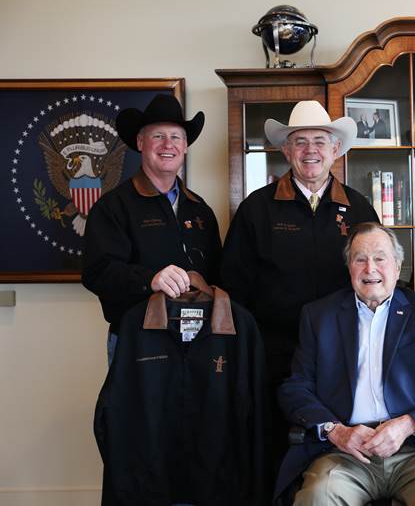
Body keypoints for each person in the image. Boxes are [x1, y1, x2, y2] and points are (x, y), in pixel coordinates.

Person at [219, 100, 378, 495]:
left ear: (335, 150)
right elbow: (233, 287)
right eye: (300, 141)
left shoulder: (359, 208)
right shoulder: (257, 208)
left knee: (339, 454)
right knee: (277, 452)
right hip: (276, 356)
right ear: (286, 151)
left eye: (319, 141)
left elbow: (378, 279)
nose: (311, 150)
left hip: (346, 354)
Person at [275, 222, 415, 505]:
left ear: (398, 266)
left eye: (380, 258)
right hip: (345, 452)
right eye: (360, 259)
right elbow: (296, 388)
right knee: (317, 497)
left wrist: (407, 425)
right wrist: (336, 431)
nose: (370, 269)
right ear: (349, 268)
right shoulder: (318, 317)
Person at [82, 94, 221, 366]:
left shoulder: (200, 210)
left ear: (186, 146)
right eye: (158, 136)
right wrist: (150, 279)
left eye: (176, 137)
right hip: (137, 341)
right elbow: (97, 272)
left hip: (198, 342)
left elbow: (220, 273)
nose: (168, 145)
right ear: (140, 143)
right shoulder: (113, 207)